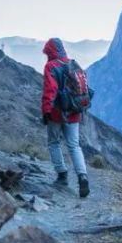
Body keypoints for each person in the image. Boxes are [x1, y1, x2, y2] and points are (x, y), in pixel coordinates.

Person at [41, 37, 90, 198]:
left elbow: (50, 90)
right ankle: (82, 176)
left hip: (56, 113)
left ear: (50, 51)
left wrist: (46, 111)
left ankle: (62, 175)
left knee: (54, 143)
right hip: (74, 112)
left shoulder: (51, 66)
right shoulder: (73, 64)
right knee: (74, 145)